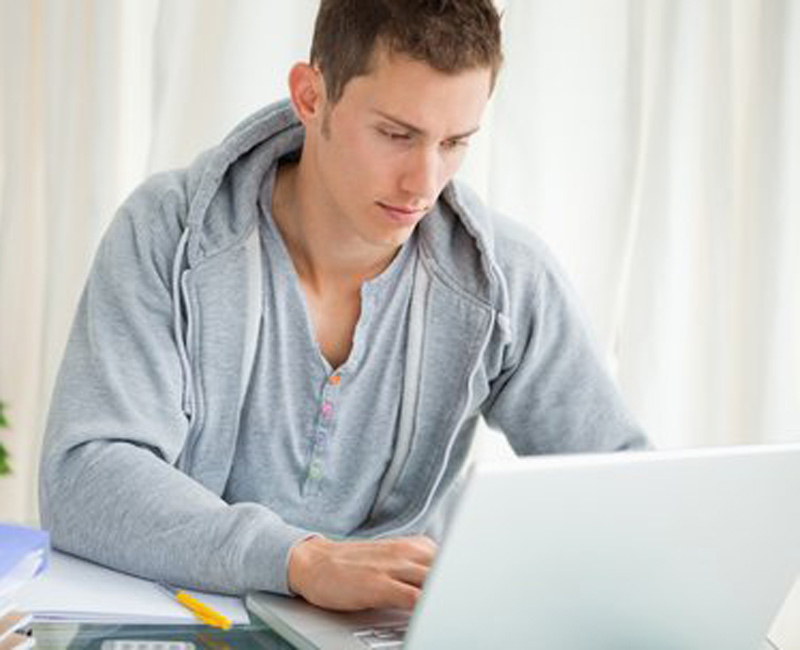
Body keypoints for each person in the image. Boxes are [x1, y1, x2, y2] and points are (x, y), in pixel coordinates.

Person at [40, 0, 648, 613]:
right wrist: (300, 560)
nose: (423, 182)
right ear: (310, 96)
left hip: (393, 630)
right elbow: (84, 479)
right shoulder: (167, 232)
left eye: (454, 142)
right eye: (396, 135)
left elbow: (627, 496)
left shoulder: (505, 280)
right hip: (188, 619)